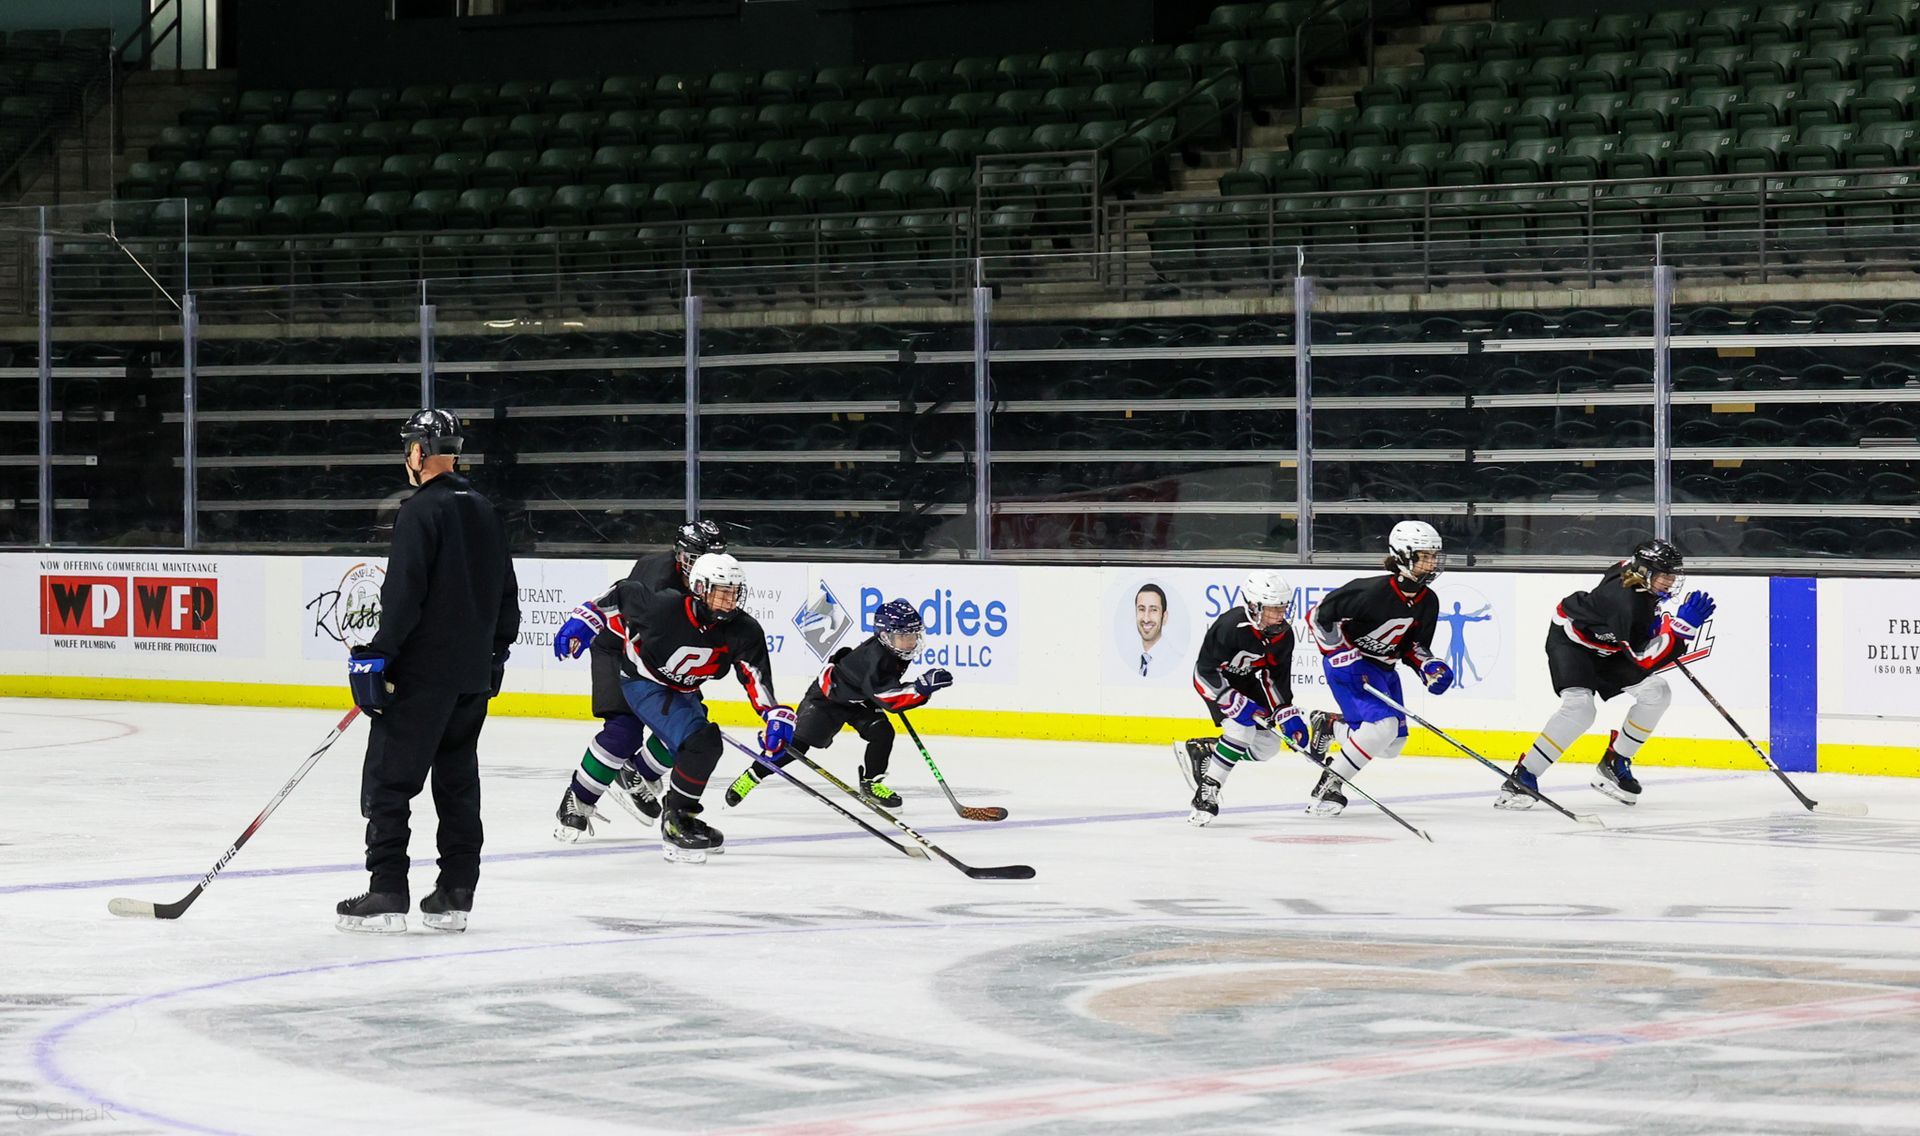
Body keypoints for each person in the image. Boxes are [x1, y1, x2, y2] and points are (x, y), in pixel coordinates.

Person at [338, 409, 520, 934]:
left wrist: (379, 652)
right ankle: (455, 893)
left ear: (419, 452)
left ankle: (387, 891)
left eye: (408, 449)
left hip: (421, 678)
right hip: (470, 678)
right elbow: (507, 596)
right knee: (457, 783)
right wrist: (495, 655)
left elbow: (403, 595)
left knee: (389, 783)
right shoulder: (485, 509)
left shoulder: (419, 511)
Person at [553, 552, 792, 862]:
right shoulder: (664, 605)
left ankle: (659, 797)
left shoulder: (744, 631)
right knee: (670, 740)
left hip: (681, 687)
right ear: (699, 588)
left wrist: (772, 714)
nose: (727, 600)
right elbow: (622, 593)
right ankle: (674, 821)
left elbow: (754, 675)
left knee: (698, 741)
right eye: (719, 591)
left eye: (732, 593)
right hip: (641, 679)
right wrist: (586, 618)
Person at [1497, 539, 1715, 809]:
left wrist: (1645, 627)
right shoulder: (1625, 601)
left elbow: (1629, 616)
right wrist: (1679, 632)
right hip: (1573, 644)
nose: (1670, 582)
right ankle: (1523, 777)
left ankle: (1616, 761)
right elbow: (1643, 660)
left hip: (1611, 647)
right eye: (1664, 576)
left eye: (1672, 575)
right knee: (1580, 709)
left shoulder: (1632, 574)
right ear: (1645, 573)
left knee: (1657, 692)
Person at [551, 520, 724, 832]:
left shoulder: (715, 585)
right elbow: (623, 607)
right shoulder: (658, 576)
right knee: (624, 731)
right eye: (696, 559)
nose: (704, 567)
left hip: (660, 655)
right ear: (681, 555)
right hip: (618, 648)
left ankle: (637, 772)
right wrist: (586, 618)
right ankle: (577, 799)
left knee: (692, 732)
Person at [726, 599, 953, 810]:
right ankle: (751, 776)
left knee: (882, 732)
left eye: (913, 635)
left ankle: (871, 783)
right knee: (796, 747)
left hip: (859, 698)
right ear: (885, 635)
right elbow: (889, 699)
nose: (911, 641)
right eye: (904, 636)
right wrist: (921, 688)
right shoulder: (875, 658)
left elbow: (884, 687)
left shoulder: (895, 650)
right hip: (828, 700)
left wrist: (916, 687)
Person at [1305, 520, 1450, 817]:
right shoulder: (1369, 591)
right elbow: (1318, 616)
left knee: (1392, 744)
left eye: (1434, 556)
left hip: (1383, 671)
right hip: (1349, 668)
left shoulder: (1428, 602)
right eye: (1425, 556)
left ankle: (1332, 726)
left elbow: (1414, 646)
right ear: (1402, 556)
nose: (1432, 563)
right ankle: (1330, 784)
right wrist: (1337, 652)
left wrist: (1429, 666)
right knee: (1381, 728)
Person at [1172, 570, 1313, 826]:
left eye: (1282, 607)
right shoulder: (1229, 627)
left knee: (1267, 747)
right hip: (1217, 684)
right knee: (1241, 731)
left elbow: (1274, 678)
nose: (1279, 614)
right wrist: (1230, 700)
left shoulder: (1284, 634)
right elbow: (1203, 672)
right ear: (1253, 605)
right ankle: (1207, 791)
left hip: (1246, 683)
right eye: (1272, 609)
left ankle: (1208, 751)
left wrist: (1285, 713)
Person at [1133, 584, 1170, 678]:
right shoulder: (1127, 659)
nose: (1146, 619)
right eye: (1141, 609)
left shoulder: (1174, 660)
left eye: (1153, 610)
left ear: (1164, 617)